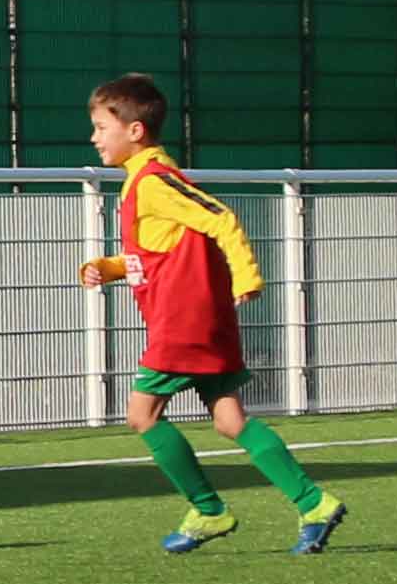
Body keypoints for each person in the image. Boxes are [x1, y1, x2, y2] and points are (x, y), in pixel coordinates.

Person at [75, 73, 344, 556]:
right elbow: (157, 253)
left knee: (142, 414)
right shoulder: (144, 182)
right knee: (230, 419)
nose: (94, 138)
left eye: (100, 127)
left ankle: (208, 509)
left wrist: (247, 277)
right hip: (200, 321)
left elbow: (221, 217)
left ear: (135, 131)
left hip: (185, 323)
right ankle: (313, 502)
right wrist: (106, 267)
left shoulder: (155, 182)